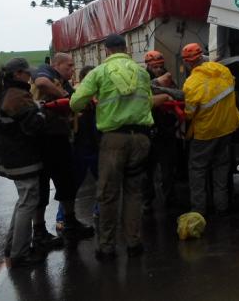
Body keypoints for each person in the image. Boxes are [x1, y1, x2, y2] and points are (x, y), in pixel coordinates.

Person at [70, 34, 159, 260]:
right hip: (141, 138)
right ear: (126, 48)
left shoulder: (99, 72)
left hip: (114, 140)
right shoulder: (141, 72)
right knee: (133, 192)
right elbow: (148, 101)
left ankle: (107, 247)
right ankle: (133, 243)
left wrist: (95, 100)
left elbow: (75, 102)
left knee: (108, 194)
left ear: (107, 50)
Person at [32, 53, 93, 247]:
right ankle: (39, 231)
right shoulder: (46, 72)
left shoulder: (64, 82)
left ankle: (70, 222)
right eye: (69, 65)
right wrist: (66, 97)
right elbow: (41, 83)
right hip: (42, 140)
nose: (72, 69)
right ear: (56, 65)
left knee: (67, 182)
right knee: (41, 186)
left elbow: (76, 102)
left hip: (60, 139)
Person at [0, 58, 47, 268]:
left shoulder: (5, 92)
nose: (30, 76)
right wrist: (41, 111)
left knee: (23, 201)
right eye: (27, 73)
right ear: (17, 74)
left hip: (13, 158)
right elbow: (34, 125)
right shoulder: (16, 95)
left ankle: (12, 247)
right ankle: (20, 254)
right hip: (22, 157)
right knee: (28, 203)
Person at [181, 42, 239, 218]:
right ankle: (221, 208)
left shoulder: (191, 83)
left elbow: (189, 114)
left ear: (187, 62)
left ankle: (199, 211)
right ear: (202, 55)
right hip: (227, 128)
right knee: (221, 169)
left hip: (205, 133)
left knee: (198, 171)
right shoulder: (223, 71)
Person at [55, 66, 100, 232]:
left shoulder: (98, 98)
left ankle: (99, 211)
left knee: (103, 181)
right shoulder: (75, 97)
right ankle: (62, 218)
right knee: (73, 185)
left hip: (95, 147)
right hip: (80, 148)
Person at [142, 50, 184, 213]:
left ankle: (170, 198)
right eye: (155, 66)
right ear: (148, 65)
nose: (159, 69)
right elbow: (144, 93)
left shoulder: (167, 77)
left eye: (160, 66)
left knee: (168, 168)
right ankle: (147, 200)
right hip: (148, 130)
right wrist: (160, 86)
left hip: (166, 130)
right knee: (147, 170)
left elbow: (179, 94)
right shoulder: (143, 79)